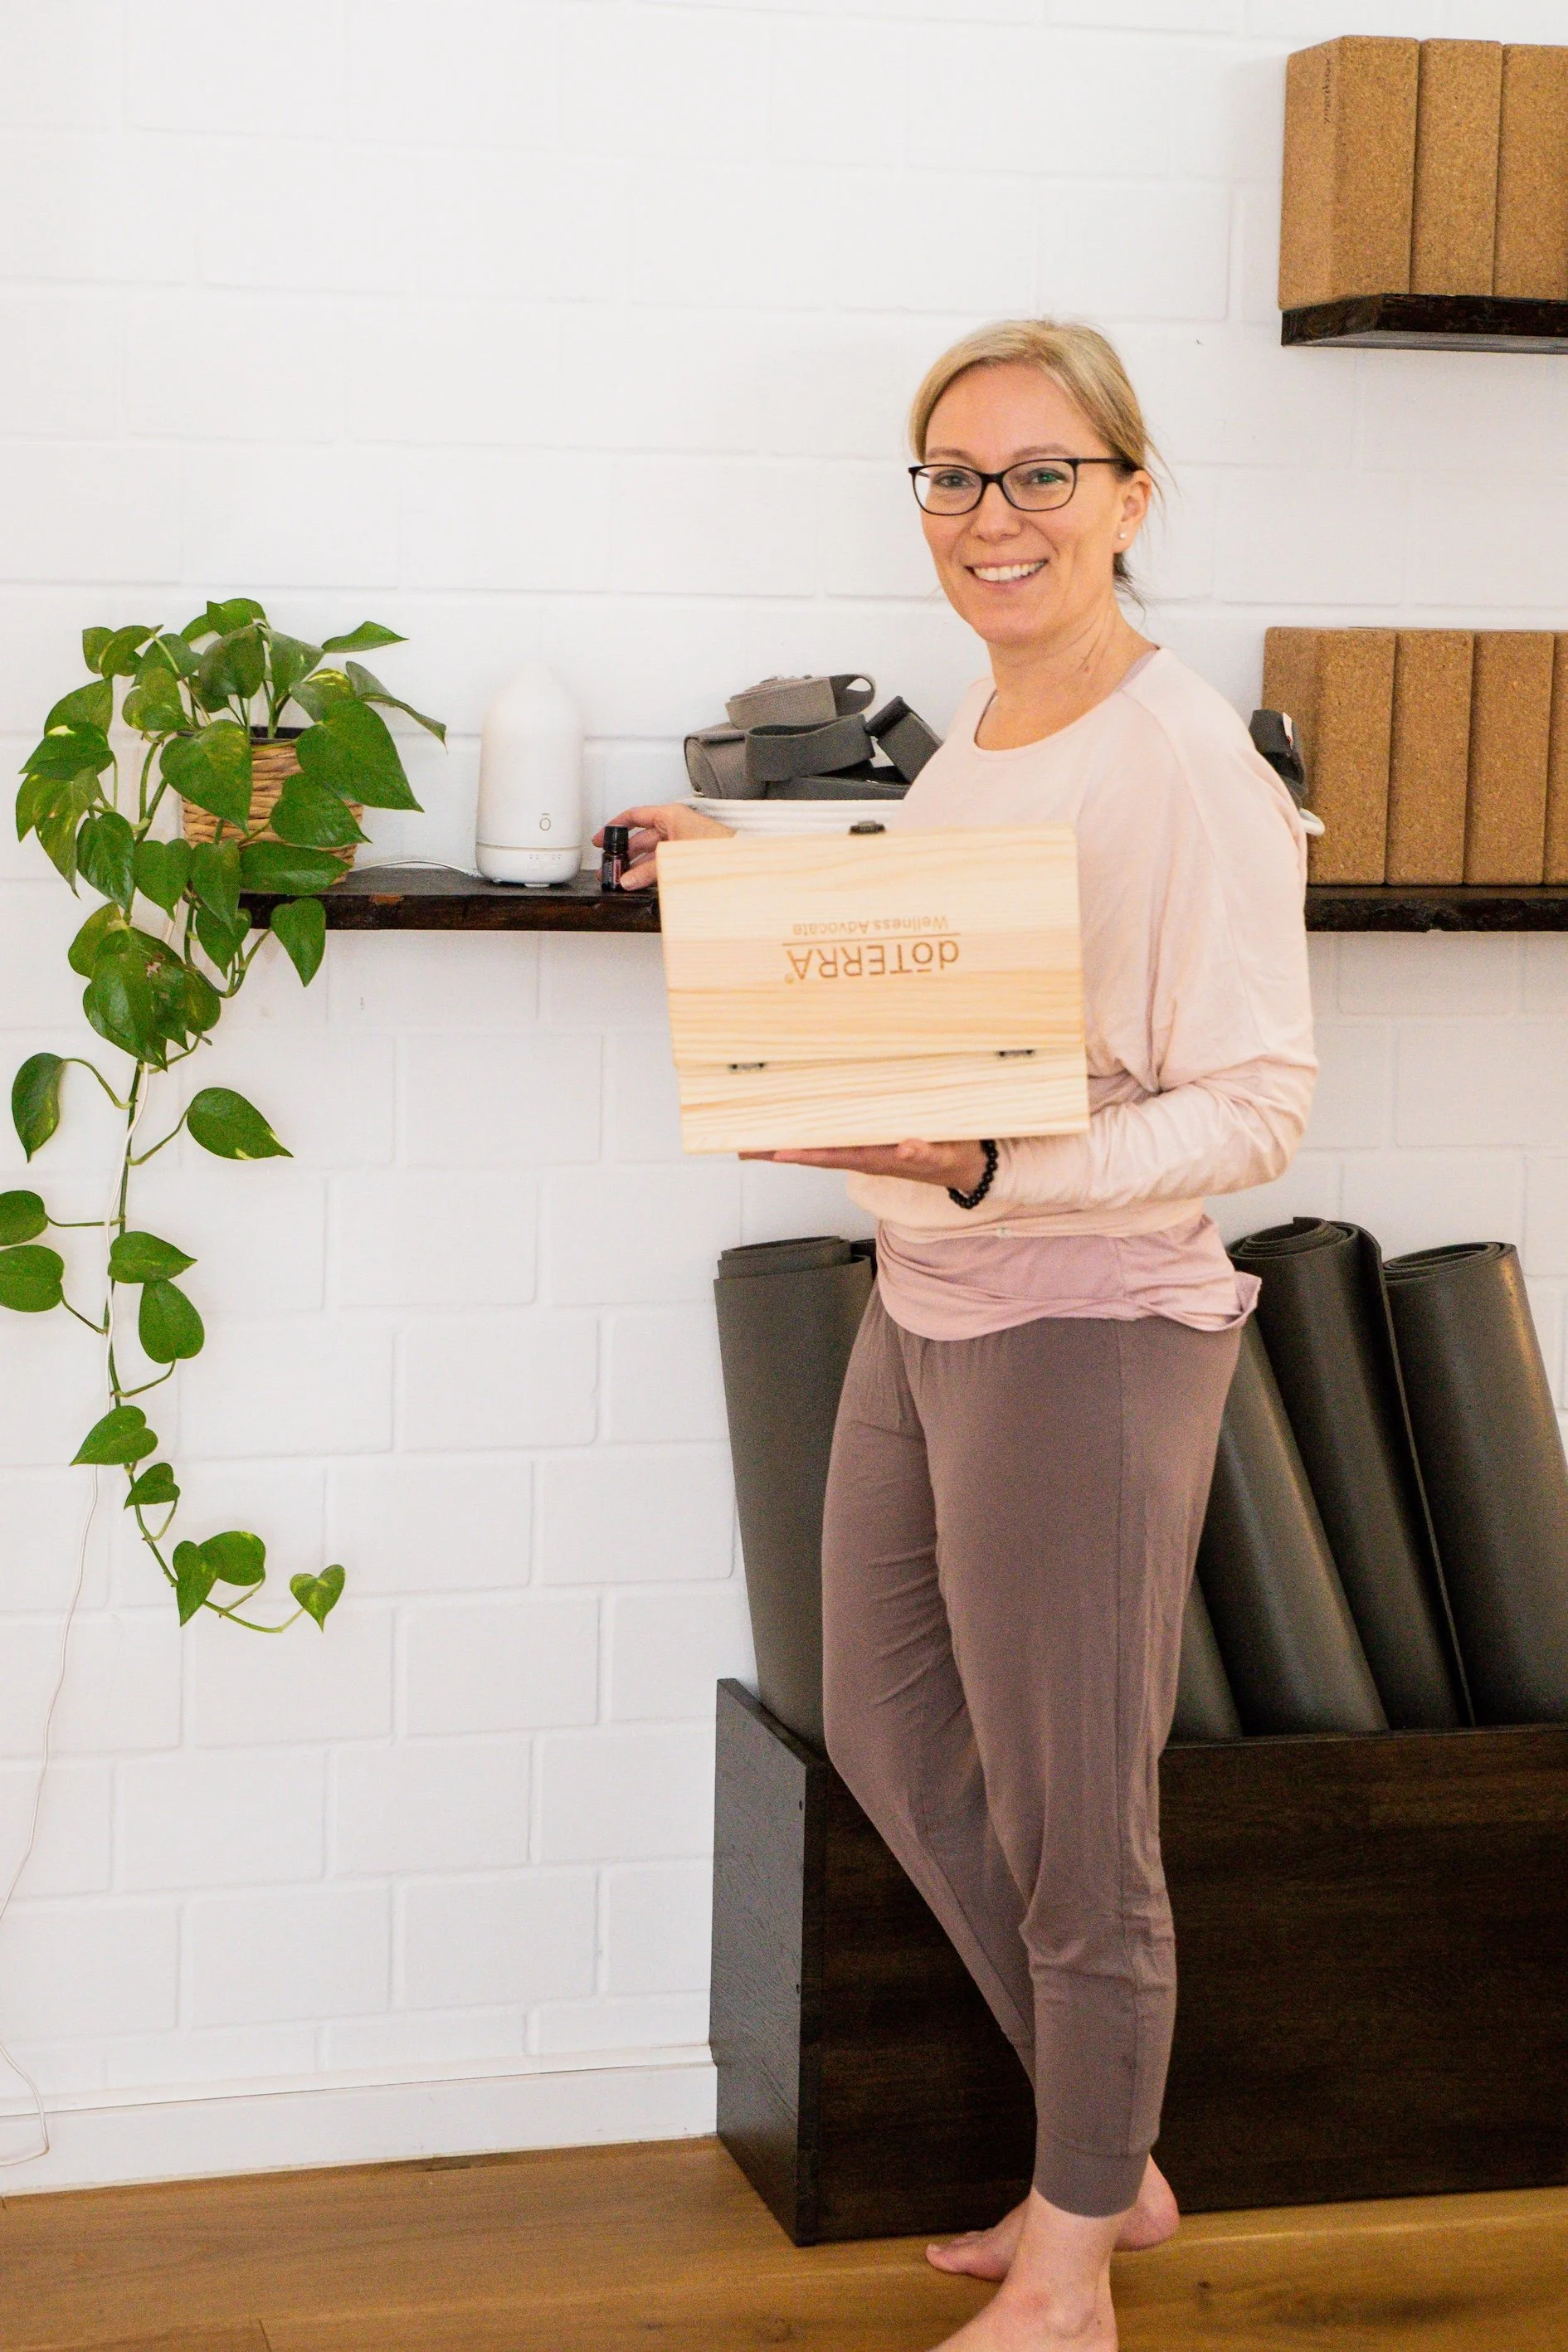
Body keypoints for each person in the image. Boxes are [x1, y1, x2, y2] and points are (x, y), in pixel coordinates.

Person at [599, 318, 1315, 2352]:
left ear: (1131, 496)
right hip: (931, 1302)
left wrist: (1005, 1169)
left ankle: (1077, 2260)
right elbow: (939, 984)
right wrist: (739, 876)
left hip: (1082, 1325)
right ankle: (1114, 2153)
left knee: (1081, 1824)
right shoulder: (988, 741)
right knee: (904, 1744)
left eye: (1040, 473)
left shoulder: (1186, 757)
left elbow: (1257, 1106)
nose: (992, 515)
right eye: (953, 475)